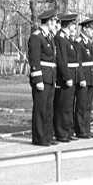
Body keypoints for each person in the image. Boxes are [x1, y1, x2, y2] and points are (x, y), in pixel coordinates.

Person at [28, 9, 59, 146]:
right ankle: (39, 137)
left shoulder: (49, 37)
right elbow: (34, 60)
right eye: (54, 21)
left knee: (48, 109)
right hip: (42, 78)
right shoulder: (36, 36)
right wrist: (38, 79)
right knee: (40, 109)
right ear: (49, 21)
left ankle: (47, 136)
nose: (55, 24)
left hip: (50, 77)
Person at [53, 13, 79, 142]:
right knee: (63, 106)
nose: (75, 27)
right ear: (68, 25)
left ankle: (68, 131)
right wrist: (67, 77)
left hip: (72, 77)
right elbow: (61, 60)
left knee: (69, 106)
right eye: (74, 24)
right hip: (64, 79)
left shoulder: (67, 38)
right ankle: (61, 132)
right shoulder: (60, 38)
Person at [74, 18, 93, 139]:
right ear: (84, 29)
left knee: (88, 105)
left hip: (91, 77)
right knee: (81, 105)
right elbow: (78, 62)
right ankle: (80, 129)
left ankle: (86, 128)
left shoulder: (89, 42)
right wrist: (81, 78)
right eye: (91, 29)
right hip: (83, 78)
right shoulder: (79, 42)